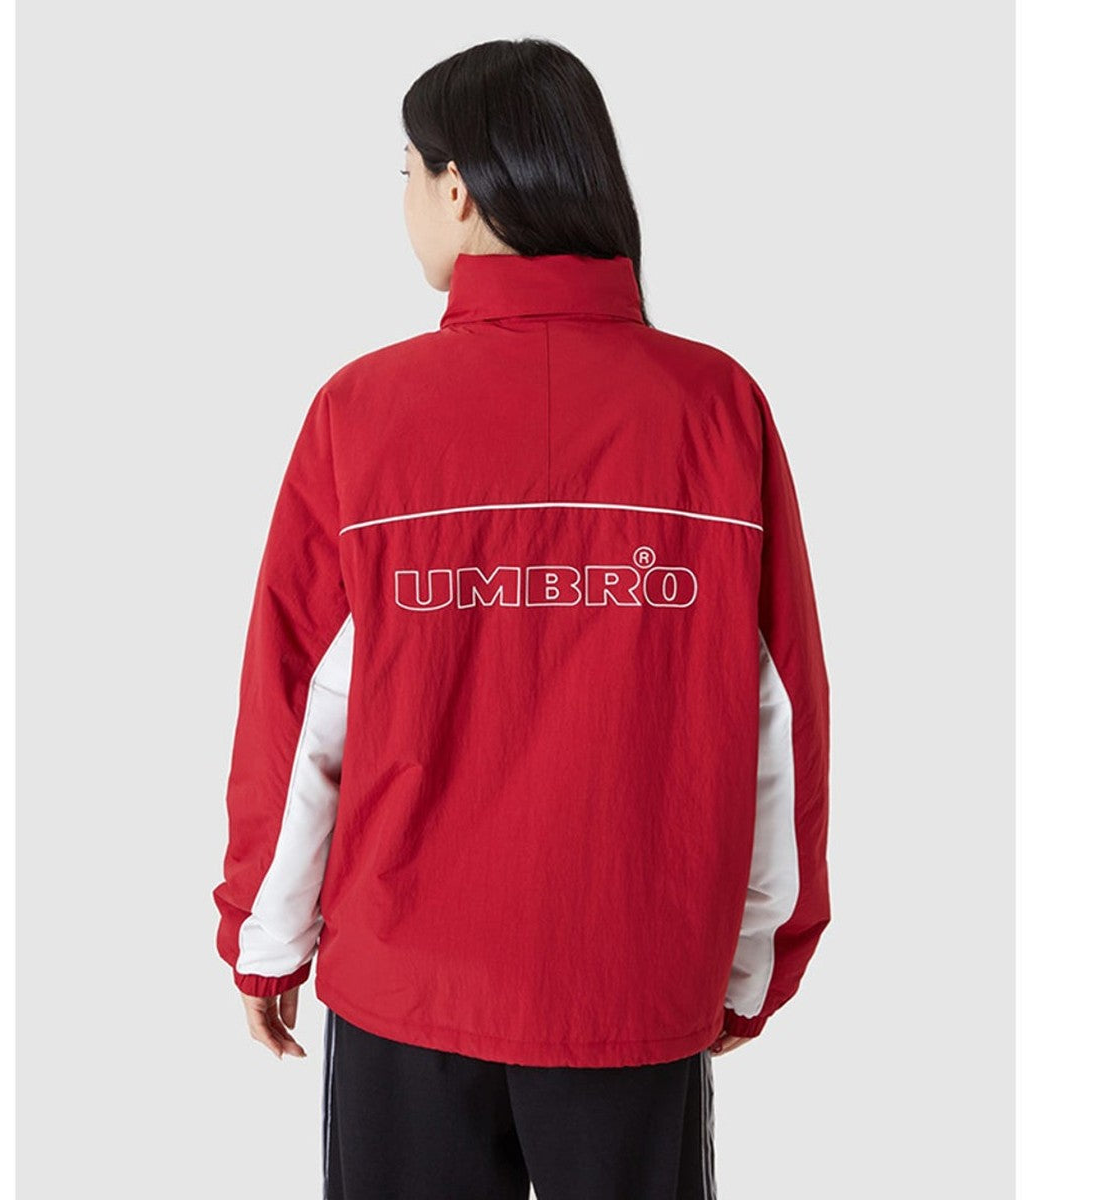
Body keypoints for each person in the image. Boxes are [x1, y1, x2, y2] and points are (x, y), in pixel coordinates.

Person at [212, 36, 832, 1200]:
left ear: (458, 188)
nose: (404, 199)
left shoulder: (363, 413)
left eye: (406, 172)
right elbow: (780, 718)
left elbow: (299, 711)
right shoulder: (717, 408)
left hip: (409, 982)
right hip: (634, 978)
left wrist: (266, 935)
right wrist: (753, 962)